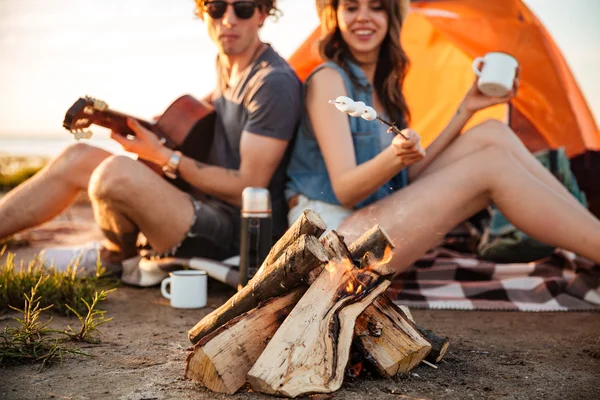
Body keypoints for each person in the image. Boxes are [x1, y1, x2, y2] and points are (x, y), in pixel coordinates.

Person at [286, 0, 600, 273]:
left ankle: (590, 235)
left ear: (391, 15)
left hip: (374, 216)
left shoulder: (386, 88)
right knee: (491, 166)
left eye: (377, 7)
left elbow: (409, 179)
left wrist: (466, 109)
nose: (363, 17)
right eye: (351, 7)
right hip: (331, 239)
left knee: (493, 133)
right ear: (335, 16)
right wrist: (394, 156)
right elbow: (345, 190)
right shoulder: (328, 79)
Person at [0, 0, 302, 273]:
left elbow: (248, 189)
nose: (229, 19)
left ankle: (117, 257)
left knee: (114, 173)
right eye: (216, 7)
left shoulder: (272, 82)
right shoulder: (227, 65)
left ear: (262, 13)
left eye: (244, 8)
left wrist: (165, 157)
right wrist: (154, 137)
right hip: (195, 200)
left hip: (236, 233)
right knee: (75, 158)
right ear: (203, 12)